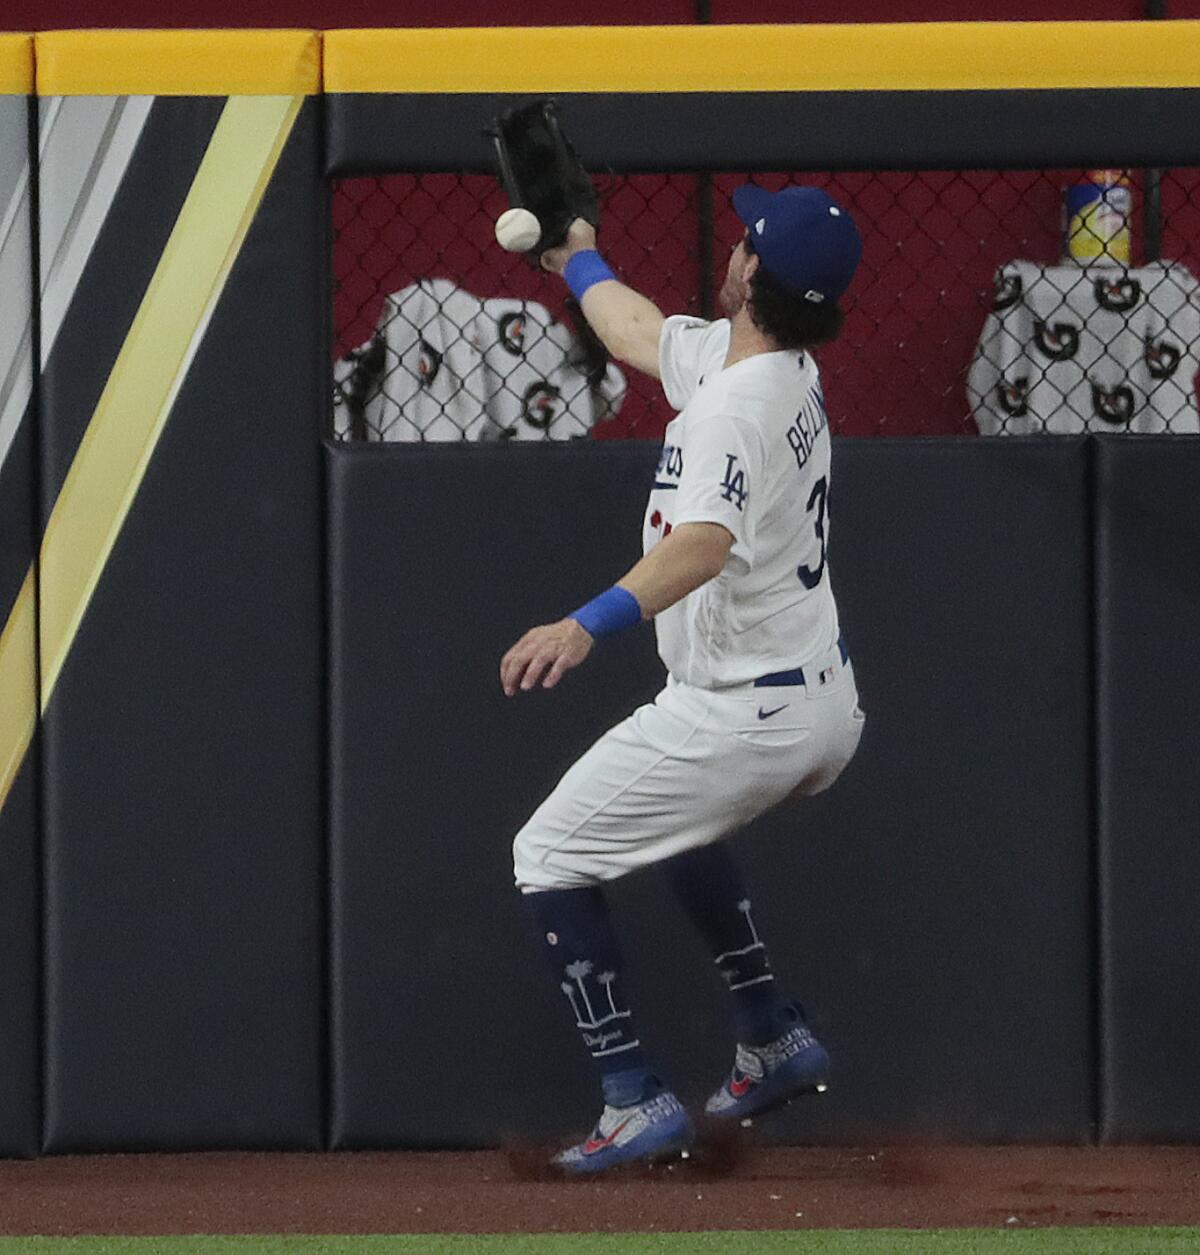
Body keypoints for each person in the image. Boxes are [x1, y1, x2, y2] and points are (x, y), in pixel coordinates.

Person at [499, 185, 866, 1175]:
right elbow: (639, 329)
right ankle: (771, 1032)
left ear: (752, 272)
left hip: (747, 709)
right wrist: (576, 256)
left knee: (549, 853)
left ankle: (633, 1097)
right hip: (811, 698)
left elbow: (701, 545)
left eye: (745, 240)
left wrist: (584, 623)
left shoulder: (738, 408)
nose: (735, 248)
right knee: (667, 818)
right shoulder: (770, 362)